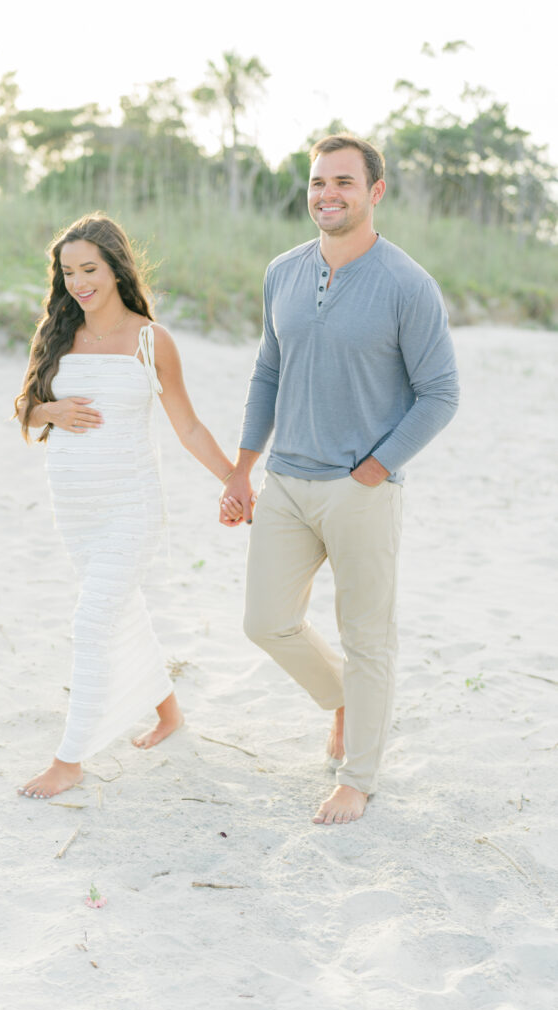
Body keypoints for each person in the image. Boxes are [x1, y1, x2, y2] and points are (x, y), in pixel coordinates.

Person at [220, 134, 459, 825]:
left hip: (362, 492)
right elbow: (269, 371)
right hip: (286, 482)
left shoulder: (407, 284)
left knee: (366, 638)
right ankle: (342, 701)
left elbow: (439, 393)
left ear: (374, 192)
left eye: (344, 183)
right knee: (266, 622)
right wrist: (241, 468)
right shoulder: (282, 273)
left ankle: (357, 776)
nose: (328, 194)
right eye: (318, 182)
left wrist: (377, 467)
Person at [14, 213, 239, 799]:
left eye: (89, 269)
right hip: (75, 510)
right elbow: (26, 407)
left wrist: (233, 479)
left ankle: (70, 760)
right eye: (68, 272)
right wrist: (49, 412)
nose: (78, 283)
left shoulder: (150, 340)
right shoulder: (57, 334)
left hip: (130, 507)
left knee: (91, 623)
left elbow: (187, 426)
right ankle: (168, 714)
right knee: (121, 608)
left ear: (116, 268)